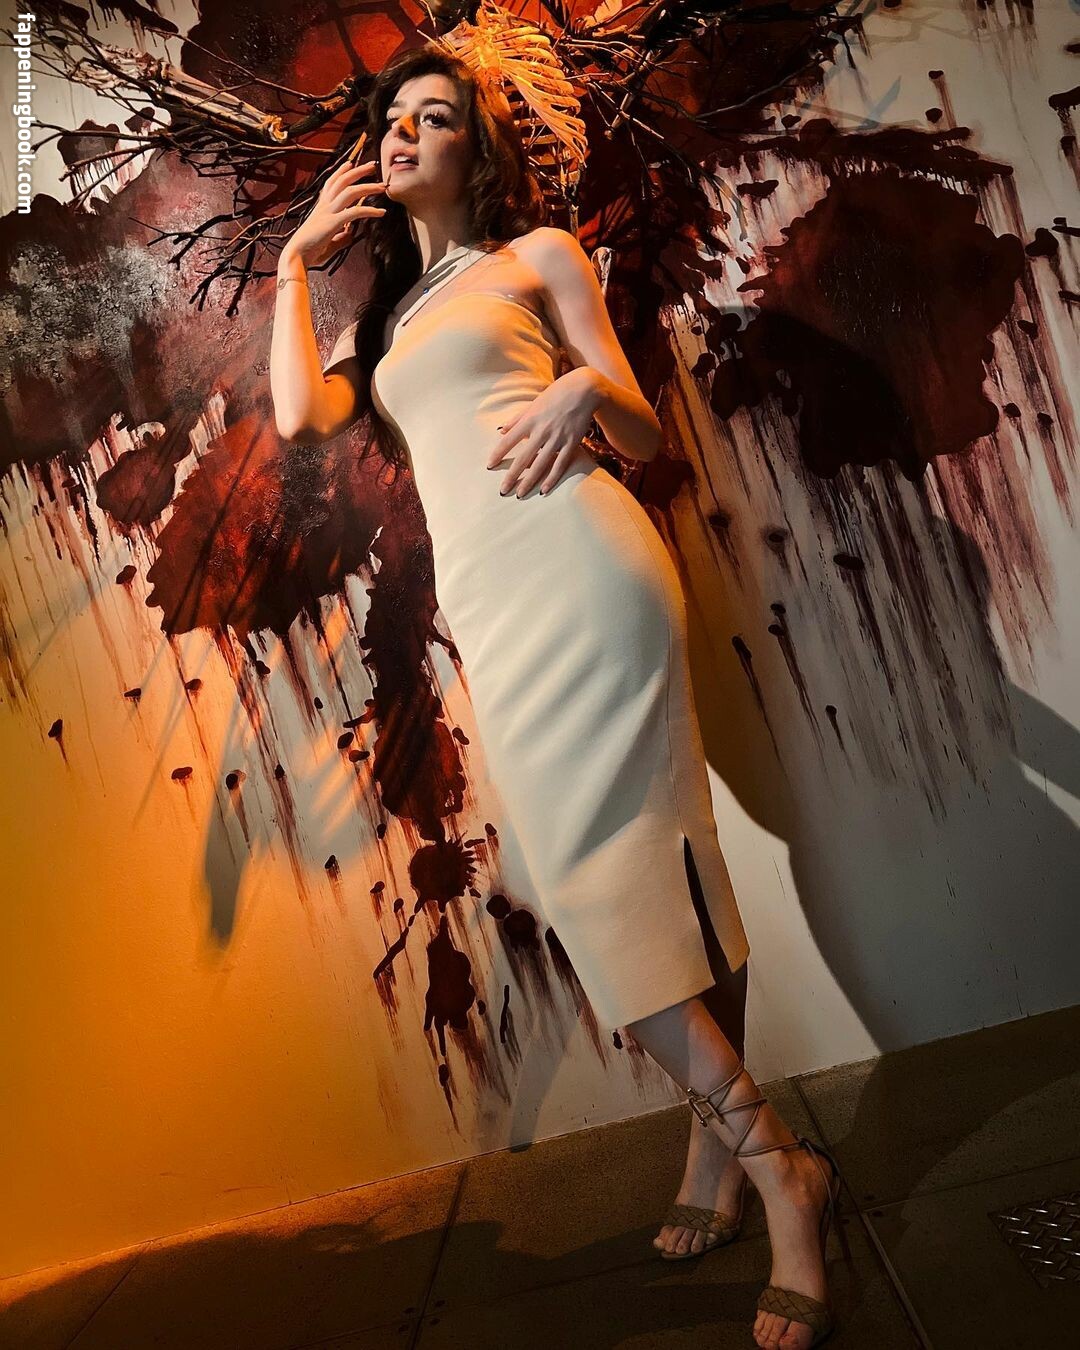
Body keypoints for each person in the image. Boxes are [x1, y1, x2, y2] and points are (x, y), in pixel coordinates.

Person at [270, 43, 845, 1350]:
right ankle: (730, 1154)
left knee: (646, 868)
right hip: (498, 608)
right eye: (393, 118)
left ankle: (775, 1175)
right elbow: (302, 417)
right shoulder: (383, 325)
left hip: (592, 570)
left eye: (433, 117)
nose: (405, 132)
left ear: (474, 149)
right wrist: (298, 260)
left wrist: (586, 386)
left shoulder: (538, 257)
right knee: (605, 879)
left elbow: (639, 429)